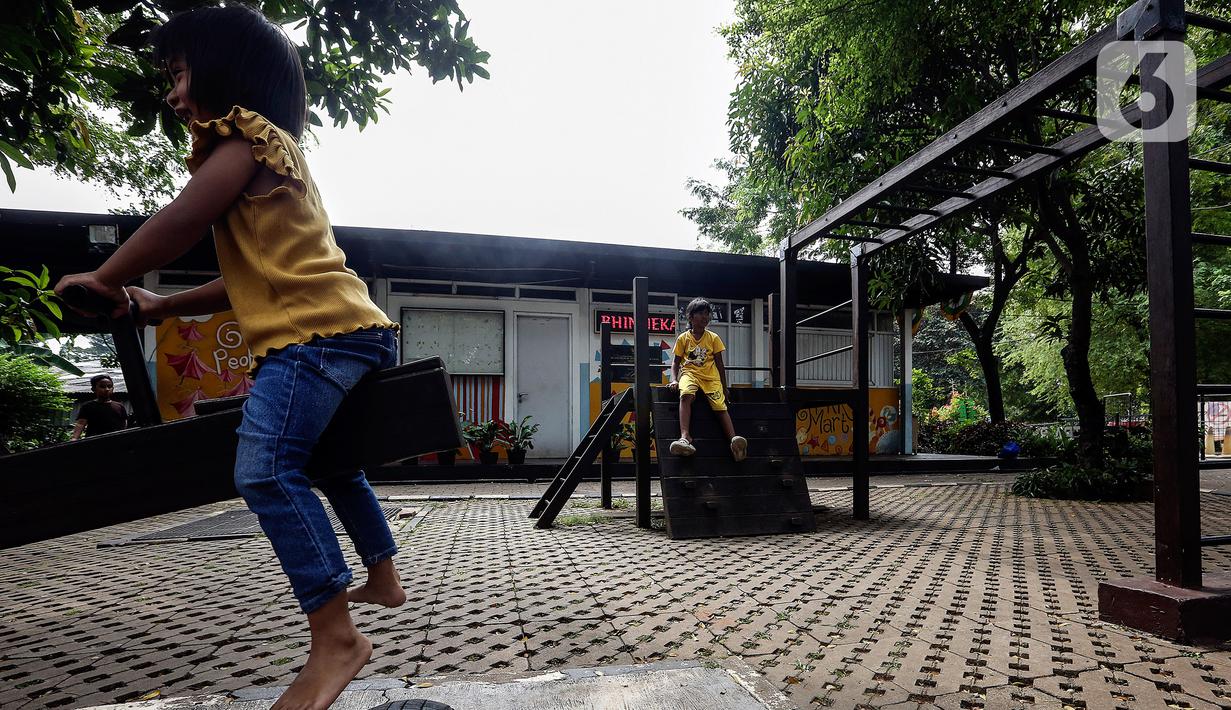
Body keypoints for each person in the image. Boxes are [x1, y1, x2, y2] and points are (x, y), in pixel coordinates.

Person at [55, 7, 413, 709]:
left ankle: (336, 639)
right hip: (353, 325)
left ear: (227, 70)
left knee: (265, 470)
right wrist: (159, 306)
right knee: (333, 464)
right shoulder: (278, 154)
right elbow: (246, 280)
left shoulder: (243, 140)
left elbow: (181, 220)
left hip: (314, 336)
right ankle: (384, 577)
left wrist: (106, 276)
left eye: (179, 73)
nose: (172, 93)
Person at [666, 298, 748, 461]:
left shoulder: (713, 338)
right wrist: (674, 380)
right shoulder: (683, 338)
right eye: (701, 313)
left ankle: (734, 441)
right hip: (690, 374)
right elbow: (675, 362)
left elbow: (720, 365)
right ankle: (685, 437)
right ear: (691, 317)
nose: (705, 317)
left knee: (720, 405)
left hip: (711, 378)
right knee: (686, 395)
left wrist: (724, 387)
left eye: (707, 313)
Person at [70, 374, 128, 440]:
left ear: (113, 389)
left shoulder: (119, 406)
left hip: (115, 441)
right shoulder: (88, 406)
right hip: (93, 441)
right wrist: (74, 438)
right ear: (93, 389)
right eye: (102, 387)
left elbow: (124, 423)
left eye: (109, 386)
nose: (107, 389)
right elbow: (81, 424)